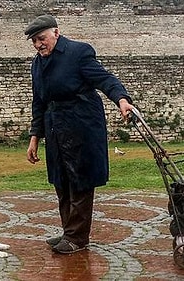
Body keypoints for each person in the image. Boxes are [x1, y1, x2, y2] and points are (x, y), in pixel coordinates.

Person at [24, 14, 134, 254]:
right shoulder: (37, 63)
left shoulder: (78, 52)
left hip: (81, 124)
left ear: (56, 32)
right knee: (61, 181)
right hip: (55, 127)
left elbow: (104, 79)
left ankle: (77, 237)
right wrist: (34, 138)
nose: (38, 44)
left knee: (80, 180)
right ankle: (69, 231)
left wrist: (122, 100)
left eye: (41, 38)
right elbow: (38, 103)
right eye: (34, 41)